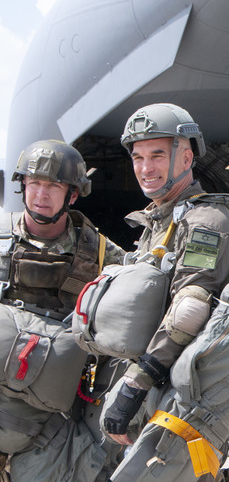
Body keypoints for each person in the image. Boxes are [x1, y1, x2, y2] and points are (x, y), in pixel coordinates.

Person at [102, 104, 229, 481]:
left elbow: (189, 311)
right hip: (159, 388)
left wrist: (134, 386)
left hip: (182, 394)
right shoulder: (161, 221)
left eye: (157, 156)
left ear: (185, 157)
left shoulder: (206, 223)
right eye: (138, 158)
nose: (145, 168)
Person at [0, 140, 125, 482]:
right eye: (34, 183)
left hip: (56, 412)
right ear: (22, 186)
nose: (41, 194)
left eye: (53, 186)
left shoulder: (102, 254)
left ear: (72, 195)